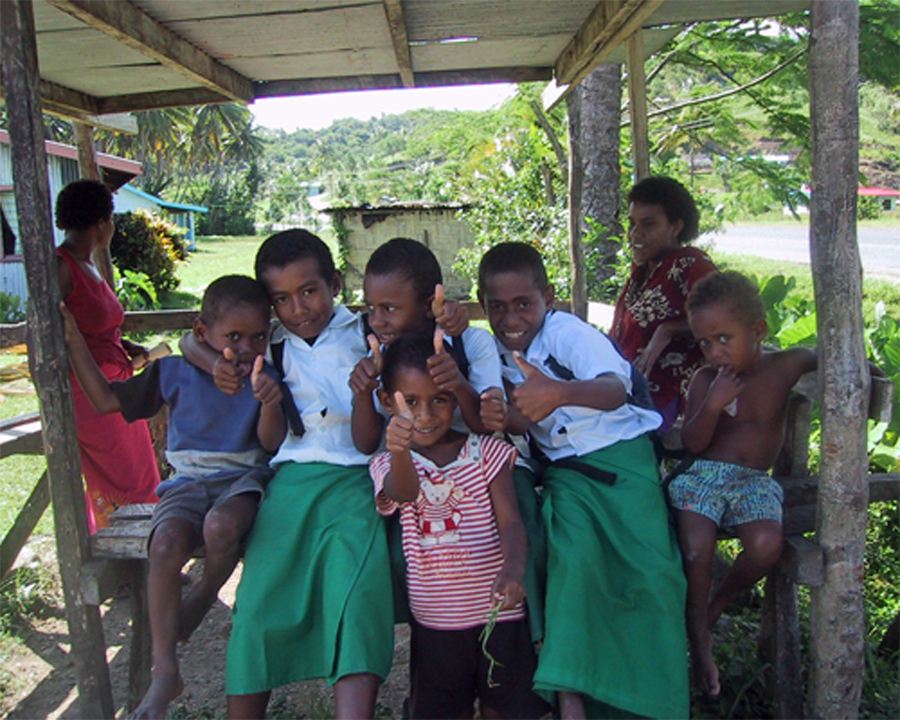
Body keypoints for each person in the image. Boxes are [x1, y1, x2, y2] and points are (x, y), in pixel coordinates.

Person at [181, 229, 394, 720]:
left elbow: (367, 441)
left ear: (336, 283)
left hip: (358, 479)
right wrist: (218, 365)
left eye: (309, 291)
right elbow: (187, 341)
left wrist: (366, 389)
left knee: (356, 592)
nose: (298, 309)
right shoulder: (271, 344)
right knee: (258, 597)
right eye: (281, 299)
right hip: (291, 480)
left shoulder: (368, 333)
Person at [478, 242, 689, 719]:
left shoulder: (566, 332)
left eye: (524, 304)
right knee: (574, 563)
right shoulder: (495, 353)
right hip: (568, 476)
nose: (512, 318)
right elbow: (520, 421)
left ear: (548, 297)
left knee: (653, 577)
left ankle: (654, 702)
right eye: (498, 307)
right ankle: (571, 700)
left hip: (623, 460)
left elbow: (614, 389)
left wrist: (559, 392)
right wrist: (502, 414)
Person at [60, 274, 284, 720]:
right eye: (233, 337)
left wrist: (270, 402)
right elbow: (105, 400)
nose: (245, 349)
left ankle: (202, 597)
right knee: (163, 545)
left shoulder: (268, 375)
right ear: (203, 333)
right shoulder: (173, 372)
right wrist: (73, 343)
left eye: (257, 337)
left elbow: (272, 444)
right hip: (185, 485)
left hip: (244, 480)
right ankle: (165, 671)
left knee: (221, 526)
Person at [348, 237, 545, 641]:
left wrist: (456, 382)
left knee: (528, 526)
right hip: (414, 471)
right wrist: (361, 393)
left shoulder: (471, 343)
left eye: (389, 309)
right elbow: (368, 443)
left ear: (425, 306)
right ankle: (433, 635)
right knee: (390, 549)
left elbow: (487, 425)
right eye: (371, 309)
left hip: (484, 464)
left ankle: (535, 637)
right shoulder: (379, 356)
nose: (378, 321)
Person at [369, 333, 550, 720]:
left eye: (439, 400)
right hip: (435, 622)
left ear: (454, 396)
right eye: (410, 403)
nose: (426, 415)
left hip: (499, 615)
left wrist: (514, 569)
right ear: (388, 403)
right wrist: (400, 452)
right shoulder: (388, 463)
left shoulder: (486, 453)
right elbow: (403, 493)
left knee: (505, 709)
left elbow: (512, 523)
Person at [670, 270, 818, 697]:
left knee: (766, 546)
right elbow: (694, 443)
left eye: (724, 339)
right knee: (696, 544)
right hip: (705, 475)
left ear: (758, 331)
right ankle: (697, 625)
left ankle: (719, 603)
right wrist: (713, 405)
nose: (714, 352)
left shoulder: (783, 366)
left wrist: (861, 365)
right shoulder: (704, 380)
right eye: (704, 342)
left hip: (753, 481)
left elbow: (817, 355)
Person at [54, 179, 159, 532]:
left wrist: (125, 346)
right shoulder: (62, 267)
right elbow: (54, 330)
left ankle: (145, 554)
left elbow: (94, 326)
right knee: (125, 475)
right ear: (101, 222)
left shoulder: (88, 264)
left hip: (115, 383)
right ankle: (131, 550)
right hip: (91, 390)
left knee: (140, 469)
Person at [611, 176, 717, 433]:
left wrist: (669, 330)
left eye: (648, 224)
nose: (636, 233)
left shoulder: (692, 265)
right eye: (632, 224)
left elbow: (720, 318)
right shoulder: (642, 271)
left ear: (676, 227)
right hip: (623, 387)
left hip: (665, 395)